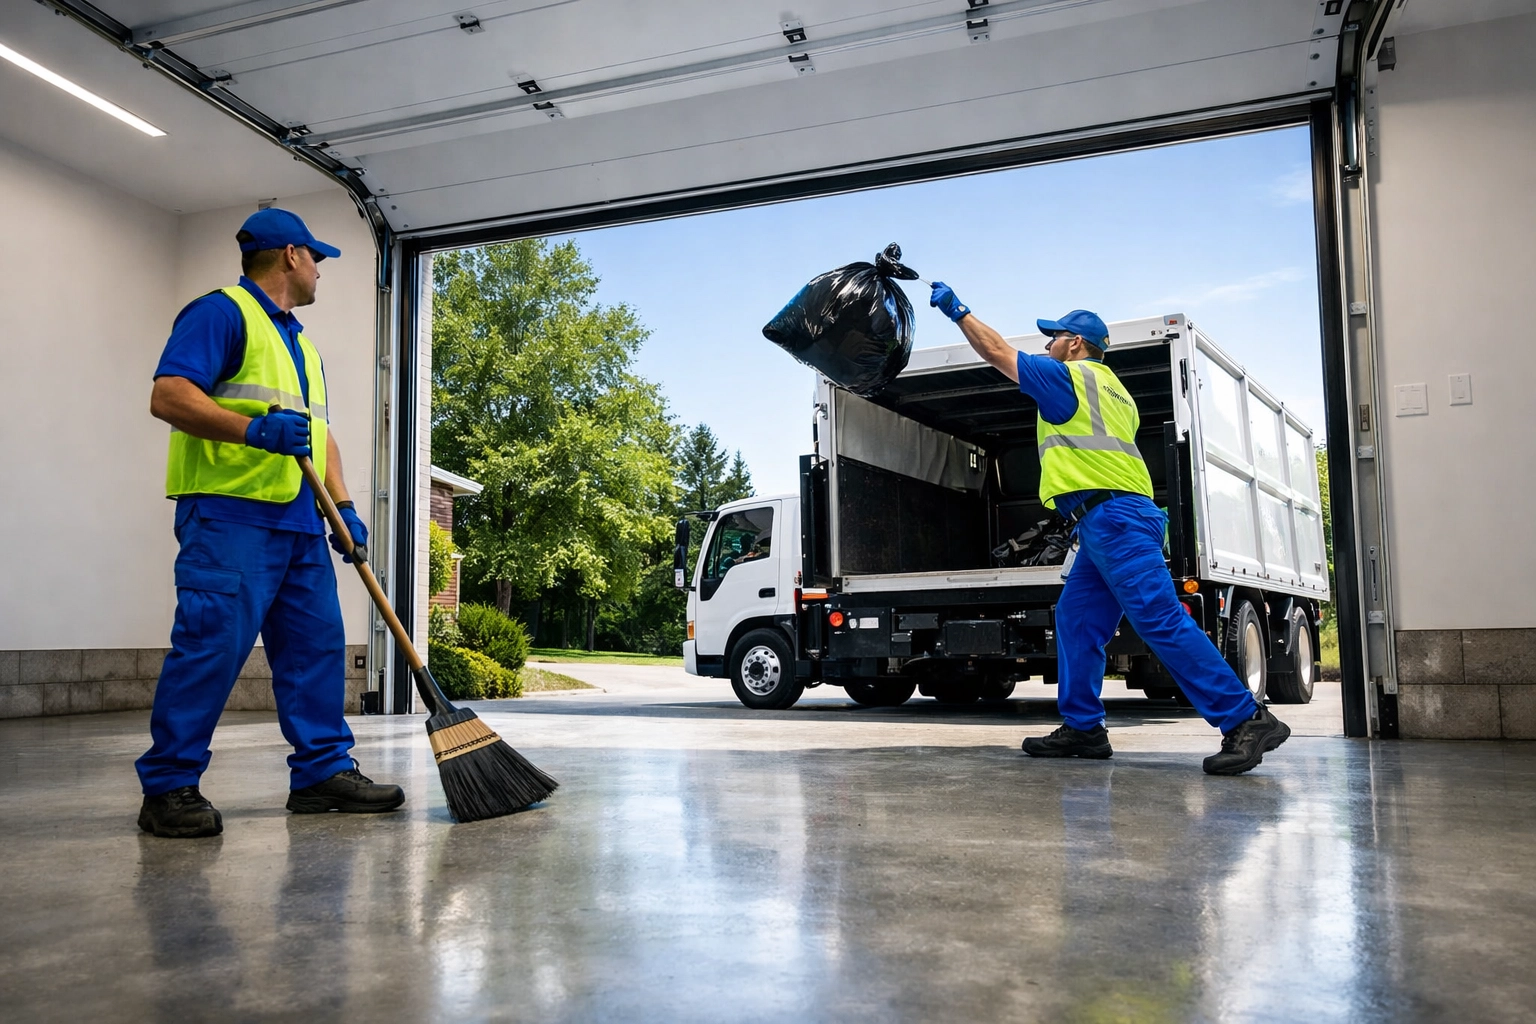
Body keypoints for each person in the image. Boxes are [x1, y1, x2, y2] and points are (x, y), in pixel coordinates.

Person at [929, 283, 1290, 775]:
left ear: (1074, 344)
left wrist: (959, 311)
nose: (1046, 347)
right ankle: (1084, 728)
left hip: (1116, 520)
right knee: (1076, 620)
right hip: (1105, 522)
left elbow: (996, 352)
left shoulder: (1067, 379)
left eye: (1052, 338)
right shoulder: (1116, 393)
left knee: (1160, 620)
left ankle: (1246, 719)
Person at [136, 208, 404, 838]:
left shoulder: (301, 344)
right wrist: (254, 430)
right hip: (229, 515)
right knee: (211, 647)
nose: (320, 271)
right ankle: (169, 785)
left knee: (317, 648)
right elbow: (168, 396)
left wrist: (345, 507)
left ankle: (321, 774)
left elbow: (319, 434)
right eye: (317, 258)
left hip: (298, 522)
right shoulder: (220, 313)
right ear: (290, 255)